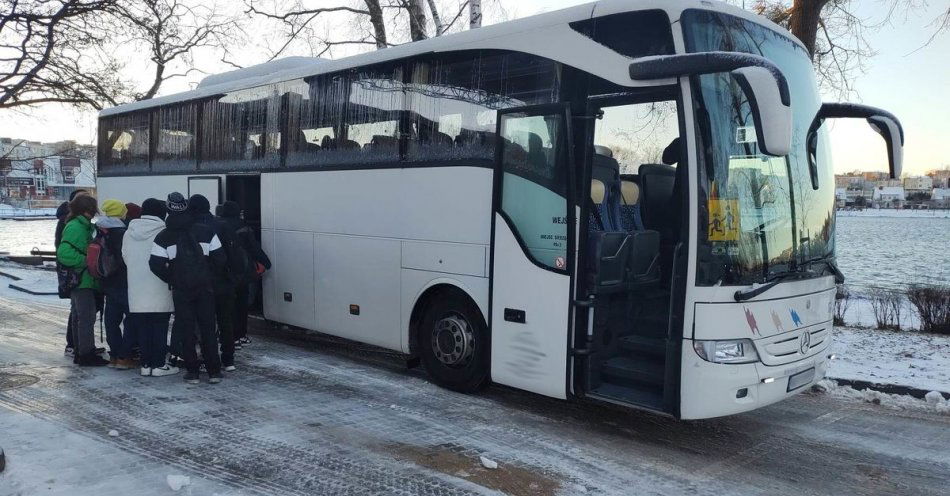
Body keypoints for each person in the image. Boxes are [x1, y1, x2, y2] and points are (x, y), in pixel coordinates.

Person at [149, 192, 226, 384]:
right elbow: (221, 259)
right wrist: (208, 276)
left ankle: (192, 372)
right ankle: (214, 371)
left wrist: (173, 278)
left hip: (181, 290)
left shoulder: (163, 237)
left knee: (186, 328)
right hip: (205, 288)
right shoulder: (206, 231)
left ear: (168, 210)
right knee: (208, 328)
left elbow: (155, 265)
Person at [122, 198, 178, 377]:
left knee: (143, 327)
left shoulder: (128, 233)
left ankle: (145, 365)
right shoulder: (165, 232)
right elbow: (172, 258)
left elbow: (125, 257)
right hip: (160, 285)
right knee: (159, 327)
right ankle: (159, 364)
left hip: (136, 287)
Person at [57, 195, 109, 366]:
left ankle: (82, 350)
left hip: (82, 279)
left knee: (80, 315)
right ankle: (85, 354)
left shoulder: (81, 225)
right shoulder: (76, 227)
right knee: (85, 317)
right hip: (82, 279)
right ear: (87, 210)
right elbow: (64, 253)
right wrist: (88, 261)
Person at [188, 194, 238, 371]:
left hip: (201, 283)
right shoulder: (222, 225)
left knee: (204, 324)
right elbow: (232, 256)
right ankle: (229, 359)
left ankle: (206, 358)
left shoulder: (190, 228)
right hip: (223, 282)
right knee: (226, 321)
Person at [217, 201, 271, 351]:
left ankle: (231, 338)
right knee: (242, 306)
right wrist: (266, 263)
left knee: (228, 308)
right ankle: (241, 335)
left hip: (226, 273)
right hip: (243, 272)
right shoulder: (244, 227)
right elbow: (254, 249)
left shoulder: (218, 226)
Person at [97, 199, 136, 369]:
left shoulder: (99, 230)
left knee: (111, 320)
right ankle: (124, 356)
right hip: (123, 281)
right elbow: (126, 258)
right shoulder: (121, 232)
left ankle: (114, 355)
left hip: (107, 281)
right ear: (120, 213)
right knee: (131, 319)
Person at [56, 189, 87, 357]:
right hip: (73, 272)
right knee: (79, 311)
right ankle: (74, 344)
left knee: (78, 310)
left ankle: (78, 344)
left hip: (73, 272)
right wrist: (85, 260)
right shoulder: (69, 222)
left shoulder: (71, 221)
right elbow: (63, 250)